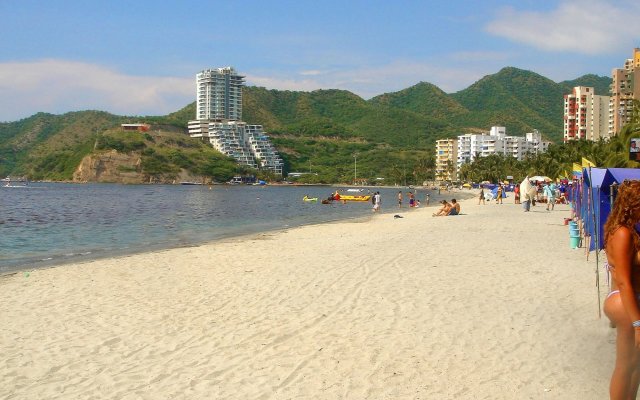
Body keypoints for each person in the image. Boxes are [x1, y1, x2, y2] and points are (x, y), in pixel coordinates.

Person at [603, 180, 640, 400]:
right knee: (626, 366)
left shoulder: (628, 231)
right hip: (624, 302)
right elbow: (624, 281)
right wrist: (637, 324)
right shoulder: (623, 233)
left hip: (628, 301)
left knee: (635, 366)